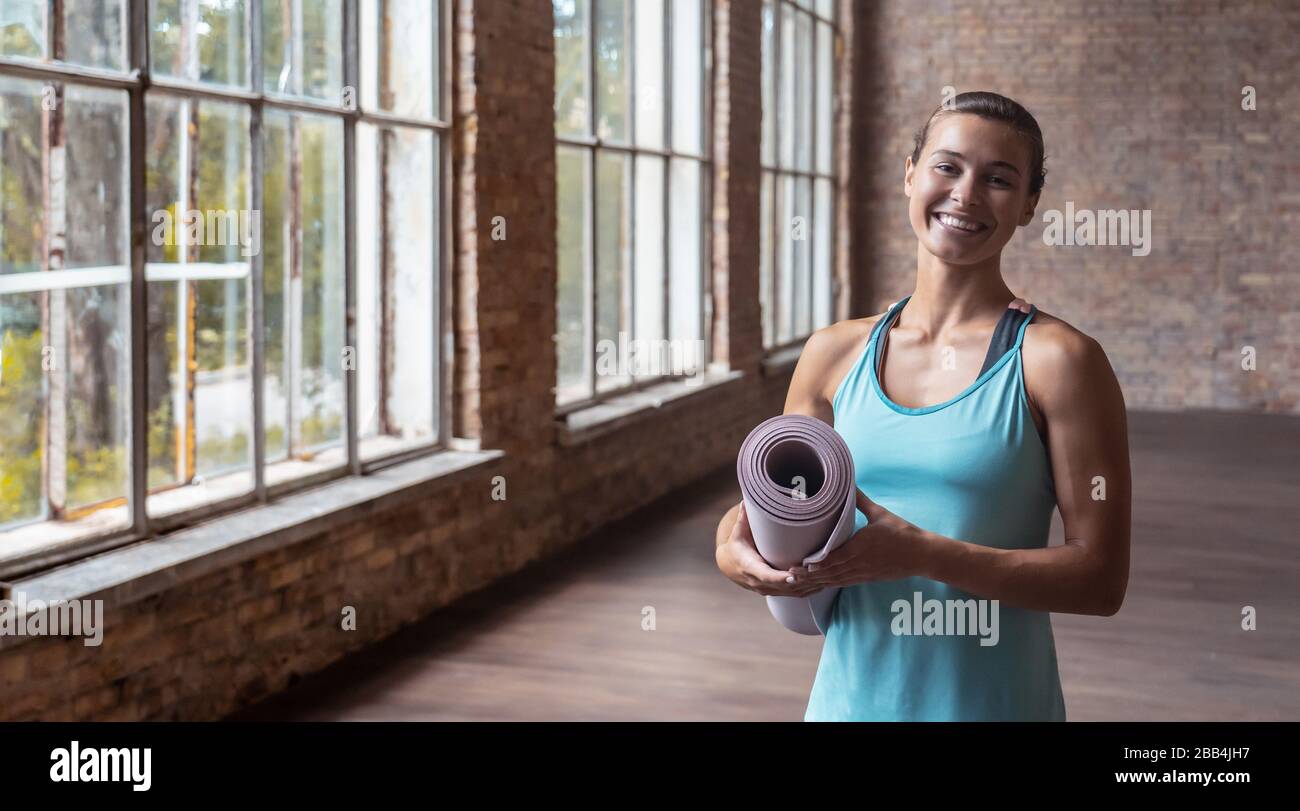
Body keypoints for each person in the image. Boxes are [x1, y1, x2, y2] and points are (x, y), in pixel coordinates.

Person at [714, 91, 1131, 721]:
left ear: (1028, 205)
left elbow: (1100, 581)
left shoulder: (1059, 361)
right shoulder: (832, 355)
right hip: (848, 704)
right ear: (909, 174)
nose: (965, 194)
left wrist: (923, 553)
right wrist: (729, 547)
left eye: (998, 179)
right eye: (947, 166)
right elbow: (775, 504)